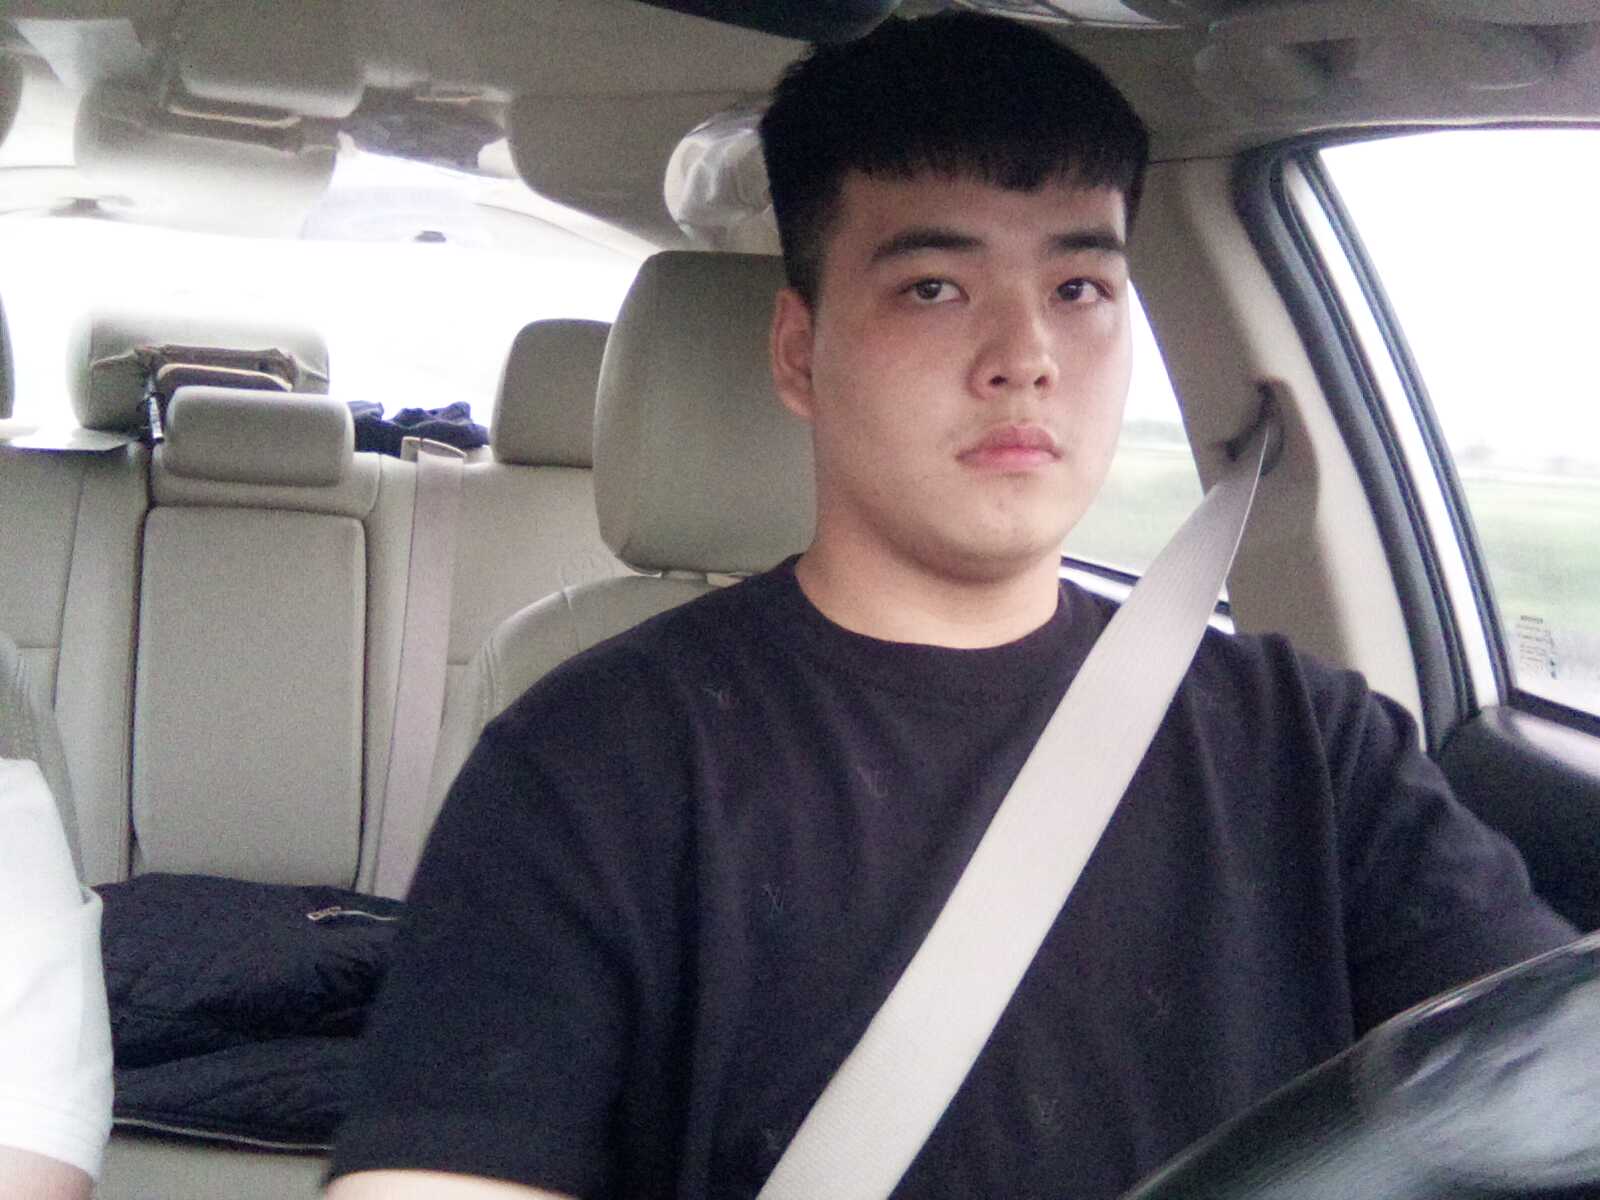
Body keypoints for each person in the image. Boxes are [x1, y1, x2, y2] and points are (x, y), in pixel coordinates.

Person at [326, 13, 1574, 1198]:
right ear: (799, 354)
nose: (1024, 355)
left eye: (1079, 289)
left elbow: (1549, 1094)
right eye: (933, 287)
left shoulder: (1311, 746)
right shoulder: (586, 762)